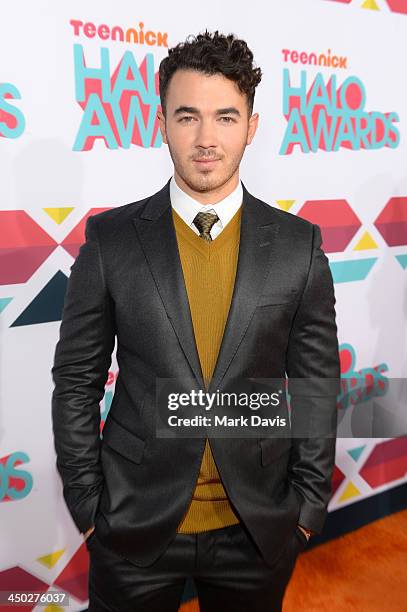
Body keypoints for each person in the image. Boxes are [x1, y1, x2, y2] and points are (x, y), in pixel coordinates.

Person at [51, 29, 340, 612]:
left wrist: (306, 510)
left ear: (251, 128)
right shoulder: (110, 242)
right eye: (187, 117)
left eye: (226, 117)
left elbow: (315, 386)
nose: (206, 139)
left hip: (256, 528)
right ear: (161, 122)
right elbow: (76, 382)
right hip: (134, 527)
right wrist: (89, 508)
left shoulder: (297, 246)